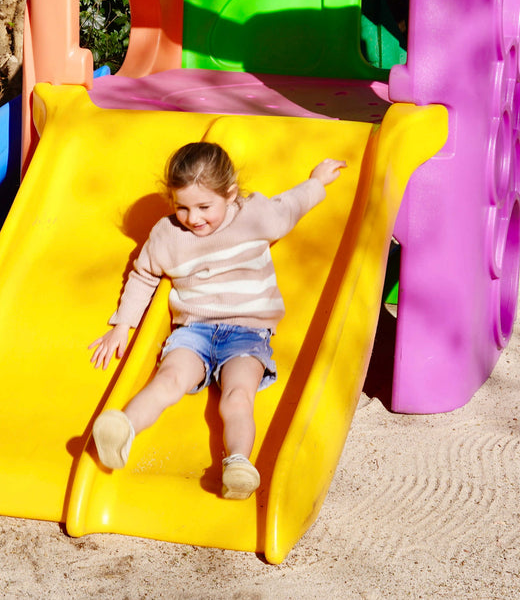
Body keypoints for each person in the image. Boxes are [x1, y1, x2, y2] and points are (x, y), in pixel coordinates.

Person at [88, 140, 347, 501]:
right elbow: (143, 275)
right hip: (193, 332)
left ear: (230, 193)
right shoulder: (167, 236)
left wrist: (317, 182)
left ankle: (238, 463)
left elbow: (290, 207)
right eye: (182, 207)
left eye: (204, 207)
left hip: (247, 332)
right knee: (169, 379)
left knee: (238, 396)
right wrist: (122, 324)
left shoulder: (255, 215)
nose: (193, 218)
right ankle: (122, 428)